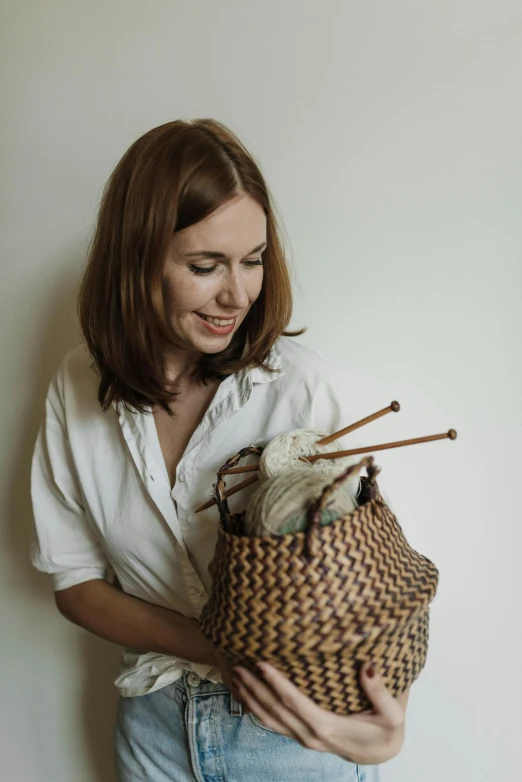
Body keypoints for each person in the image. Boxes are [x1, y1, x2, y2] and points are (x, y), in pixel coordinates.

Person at [30, 119, 408, 782]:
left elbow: (361, 580)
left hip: (287, 733)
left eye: (253, 259)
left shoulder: (296, 385)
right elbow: (75, 581)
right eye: (205, 267)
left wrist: (380, 725)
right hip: (152, 730)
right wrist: (214, 648)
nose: (237, 294)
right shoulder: (74, 386)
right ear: (136, 258)